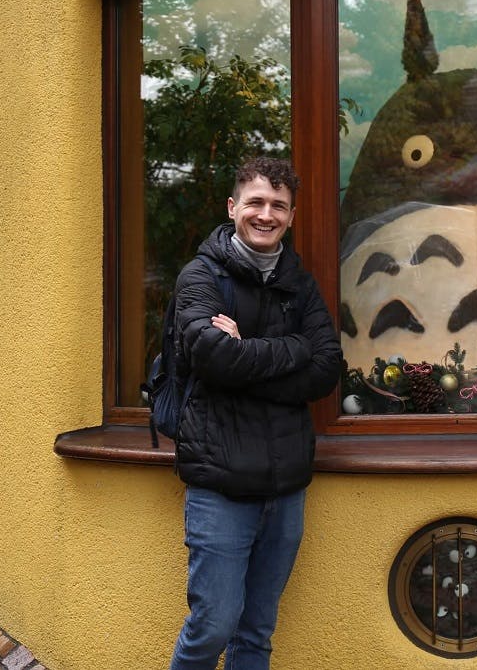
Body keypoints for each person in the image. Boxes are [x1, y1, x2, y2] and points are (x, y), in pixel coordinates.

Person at [168, 156, 342, 670]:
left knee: (256, 635)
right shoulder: (200, 275)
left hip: (285, 489)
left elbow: (327, 369)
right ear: (233, 207)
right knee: (212, 629)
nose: (267, 215)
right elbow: (210, 355)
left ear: (291, 214)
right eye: (256, 203)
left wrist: (251, 354)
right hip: (219, 485)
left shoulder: (300, 284)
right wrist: (292, 349)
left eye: (279, 206)